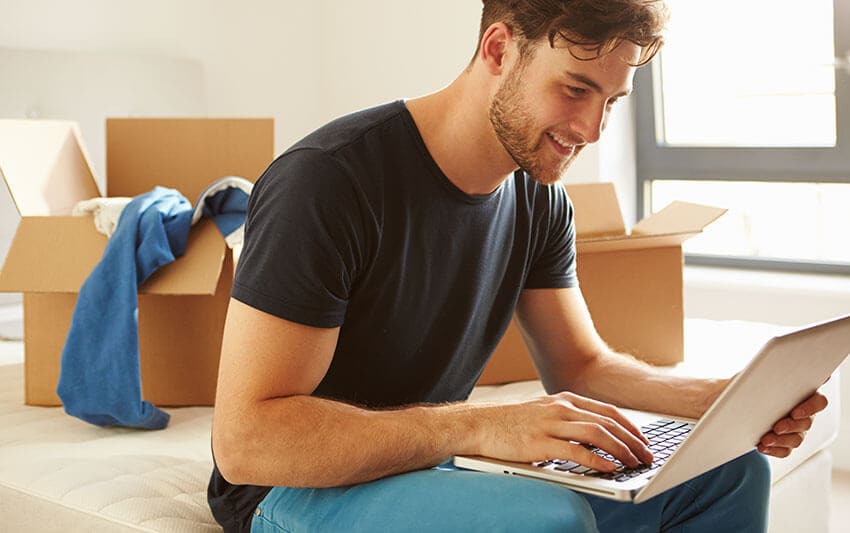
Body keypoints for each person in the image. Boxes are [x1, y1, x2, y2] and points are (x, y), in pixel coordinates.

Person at [208, 1, 828, 531]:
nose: (591, 128)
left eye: (610, 100)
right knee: (546, 521)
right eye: (575, 89)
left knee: (728, 470)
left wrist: (722, 403)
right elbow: (247, 443)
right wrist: (479, 426)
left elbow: (581, 364)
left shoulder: (538, 198)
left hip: (430, 464)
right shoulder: (328, 181)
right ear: (500, 49)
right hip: (293, 489)